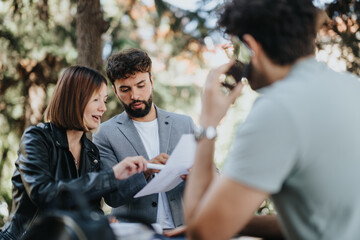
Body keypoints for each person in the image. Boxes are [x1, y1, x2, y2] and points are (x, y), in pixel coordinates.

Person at [184, 0, 360, 240]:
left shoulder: (279, 108)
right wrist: (233, 217)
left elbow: (202, 233)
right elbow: (320, 221)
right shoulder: (352, 86)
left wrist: (208, 123)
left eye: (234, 47)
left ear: (251, 46)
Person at [0, 66, 148, 240]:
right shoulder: (37, 138)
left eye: (104, 100)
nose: (103, 108)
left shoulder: (91, 152)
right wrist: (111, 175)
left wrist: (101, 223)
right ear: (74, 100)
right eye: (96, 100)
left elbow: (90, 208)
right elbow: (43, 193)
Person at [93, 48, 195, 233]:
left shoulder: (184, 124)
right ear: (115, 91)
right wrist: (145, 171)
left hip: (184, 230)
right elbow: (112, 197)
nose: (135, 96)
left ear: (151, 81)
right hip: (136, 233)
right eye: (125, 89)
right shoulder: (104, 134)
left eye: (141, 85)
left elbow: (213, 174)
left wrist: (199, 175)